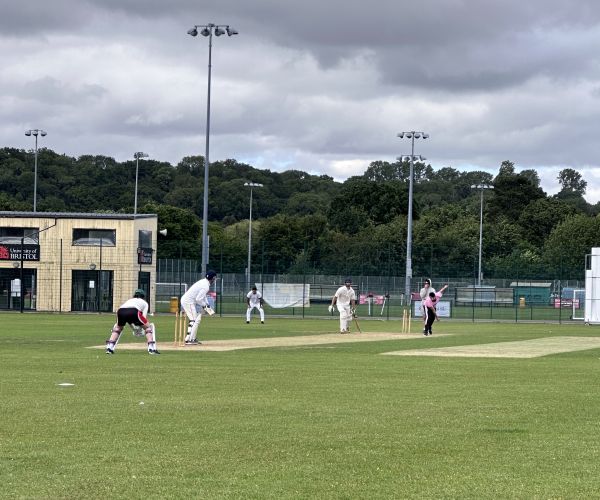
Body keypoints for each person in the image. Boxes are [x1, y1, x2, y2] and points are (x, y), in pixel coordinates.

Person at [105, 289, 159, 354]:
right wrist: (139, 329)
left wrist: (134, 329)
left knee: (118, 328)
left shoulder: (130, 300)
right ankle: (151, 348)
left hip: (120, 311)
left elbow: (129, 318)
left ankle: (110, 347)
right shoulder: (145, 303)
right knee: (148, 327)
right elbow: (143, 318)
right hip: (134, 311)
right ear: (143, 296)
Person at [180, 270, 217, 345]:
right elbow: (198, 299)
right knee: (193, 319)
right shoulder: (205, 286)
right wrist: (205, 306)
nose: (215, 280)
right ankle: (188, 339)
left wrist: (208, 307)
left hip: (190, 301)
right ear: (212, 278)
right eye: (215, 278)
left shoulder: (204, 282)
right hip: (188, 301)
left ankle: (192, 338)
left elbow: (203, 297)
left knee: (197, 319)